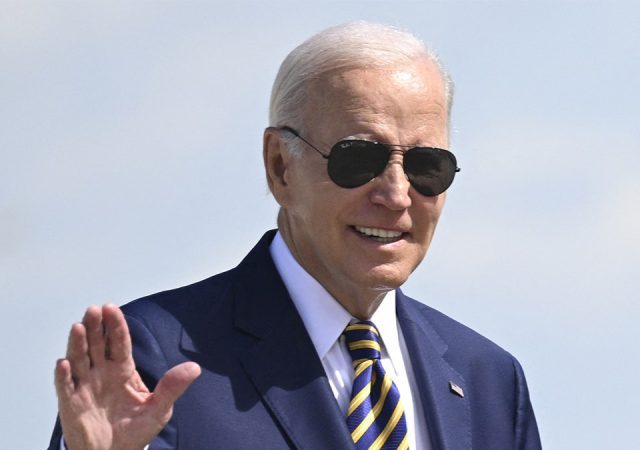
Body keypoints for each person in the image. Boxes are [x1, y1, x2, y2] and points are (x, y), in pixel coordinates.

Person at [49, 21, 542, 450]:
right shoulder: (155, 357)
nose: (396, 195)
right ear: (280, 167)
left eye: (426, 165)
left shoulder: (489, 381)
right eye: (358, 159)